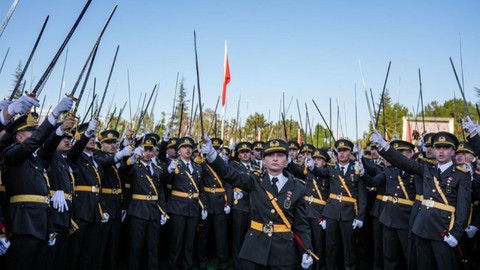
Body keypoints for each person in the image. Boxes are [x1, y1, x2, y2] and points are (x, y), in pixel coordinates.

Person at [202, 137, 314, 269]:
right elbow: (229, 173)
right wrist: (211, 155)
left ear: (287, 161)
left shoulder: (298, 188)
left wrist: (307, 250)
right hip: (254, 248)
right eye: (270, 155)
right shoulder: (254, 181)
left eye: (280, 155)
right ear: (264, 162)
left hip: (283, 251)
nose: (275, 159)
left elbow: (301, 225)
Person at [370, 130, 471, 270]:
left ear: (453, 151)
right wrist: (383, 146)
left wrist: (456, 234)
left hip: (444, 230)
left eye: (446, 148)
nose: (441, 151)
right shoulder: (427, 169)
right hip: (422, 228)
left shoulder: (461, 175)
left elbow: (463, 207)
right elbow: (403, 162)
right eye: (437, 147)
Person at [2, 97, 73, 270]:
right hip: (23, 223)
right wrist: (53, 115)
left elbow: (47, 148)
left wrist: (60, 129)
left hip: (41, 223)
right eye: (31, 133)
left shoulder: (36, 160)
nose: (36, 136)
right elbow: (34, 143)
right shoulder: (12, 153)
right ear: (19, 137)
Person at [308, 139, 368, 270]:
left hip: (349, 214)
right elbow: (320, 172)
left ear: (349, 152)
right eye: (339, 151)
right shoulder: (331, 169)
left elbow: (363, 197)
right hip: (332, 214)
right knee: (331, 248)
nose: (341, 154)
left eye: (344, 151)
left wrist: (360, 217)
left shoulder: (357, 170)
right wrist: (311, 166)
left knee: (349, 249)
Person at [125, 135, 168, 270]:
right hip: (138, 210)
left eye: (150, 150)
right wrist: (131, 159)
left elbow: (160, 192)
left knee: (153, 247)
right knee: (136, 247)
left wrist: (163, 211)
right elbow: (124, 171)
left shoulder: (157, 169)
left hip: (154, 211)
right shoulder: (134, 167)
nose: (148, 153)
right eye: (145, 150)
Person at [166, 137, 208, 270]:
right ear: (178, 151)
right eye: (184, 147)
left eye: (190, 147)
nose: (188, 149)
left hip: (193, 208)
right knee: (176, 242)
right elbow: (163, 181)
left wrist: (204, 206)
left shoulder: (197, 167)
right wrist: (169, 170)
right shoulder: (174, 165)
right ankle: (173, 266)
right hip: (178, 208)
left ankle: (187, 266)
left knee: (189, 243)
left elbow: (201, 189)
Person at [197, 137, 230, 270]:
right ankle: (202, 260)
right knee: (203, 235)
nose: (215, 150)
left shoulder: (223, 164)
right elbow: (199, 184)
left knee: (221, 235)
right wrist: (202, 204)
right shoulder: (202, 163)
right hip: (207, 201)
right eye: (213, 148)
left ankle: (223, 261)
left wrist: (228, 202)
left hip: (221, 202)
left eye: (217, 149)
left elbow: (228, 184)